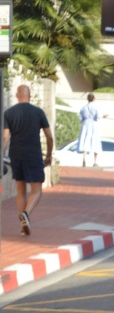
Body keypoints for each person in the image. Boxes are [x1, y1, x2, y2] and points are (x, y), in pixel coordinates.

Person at [2, 84, 54, 236]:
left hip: (16, 154)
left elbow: (5, 136)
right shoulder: (38, 112)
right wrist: (49, 155)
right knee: (37, 191)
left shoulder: (9, 113)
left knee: (20, 190)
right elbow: (49, 136)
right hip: (33, 154)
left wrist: (1, 155)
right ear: (29, 96)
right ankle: (26, 214)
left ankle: (23, 225)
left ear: (17, 95)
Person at [77, 93, 103, 167]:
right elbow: (98, 116)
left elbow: (80, 118)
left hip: (85, 124)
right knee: (95, 141)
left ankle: (84, 159)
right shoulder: (96, 107)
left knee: (85, 140)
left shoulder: (83, 107)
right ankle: (95, 161)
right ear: (94, 99)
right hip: (93, 124)